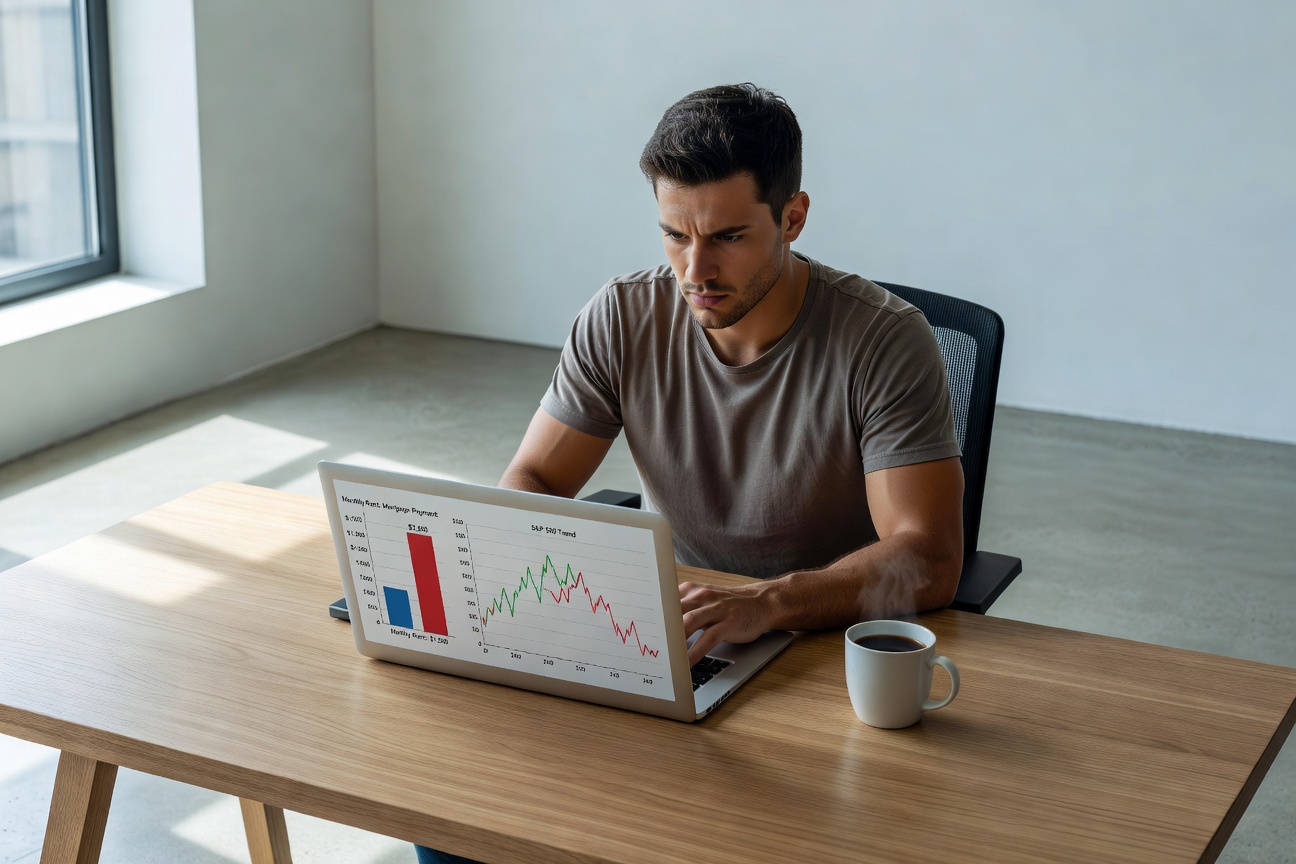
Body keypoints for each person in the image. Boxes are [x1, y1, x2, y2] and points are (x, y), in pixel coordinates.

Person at [415, 82, 964, 864]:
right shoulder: (622, 316)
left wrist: (765, 603)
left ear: (794, 219)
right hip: (675, 640)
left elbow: (929, 557)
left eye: (729, 237)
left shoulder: (882, 340)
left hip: (818, 655)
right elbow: (531, 480)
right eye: (674, 235)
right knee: (453, 823)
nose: (695, 269)